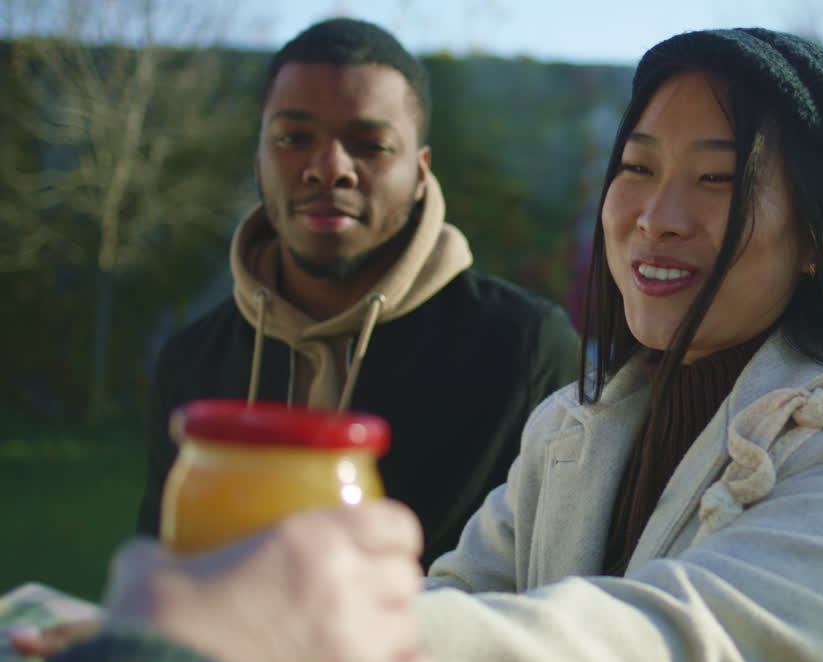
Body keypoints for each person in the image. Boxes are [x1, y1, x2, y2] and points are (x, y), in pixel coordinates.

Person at [17, 28, 823, 662]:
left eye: (719, 180)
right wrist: (198, 644)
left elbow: (659, 658)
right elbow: (456, 601)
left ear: (818, 242)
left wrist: (311, 639)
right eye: (636, 166)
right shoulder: (569, 430)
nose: (657, 216)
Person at [133, 18, 580, 568]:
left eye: (369, 145)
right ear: (259, 162)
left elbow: (555, 587)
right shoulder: (192, 365)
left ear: (420, 174)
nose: (329, 169)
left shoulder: (527, 351)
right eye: (294, 138)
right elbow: (162, 575)